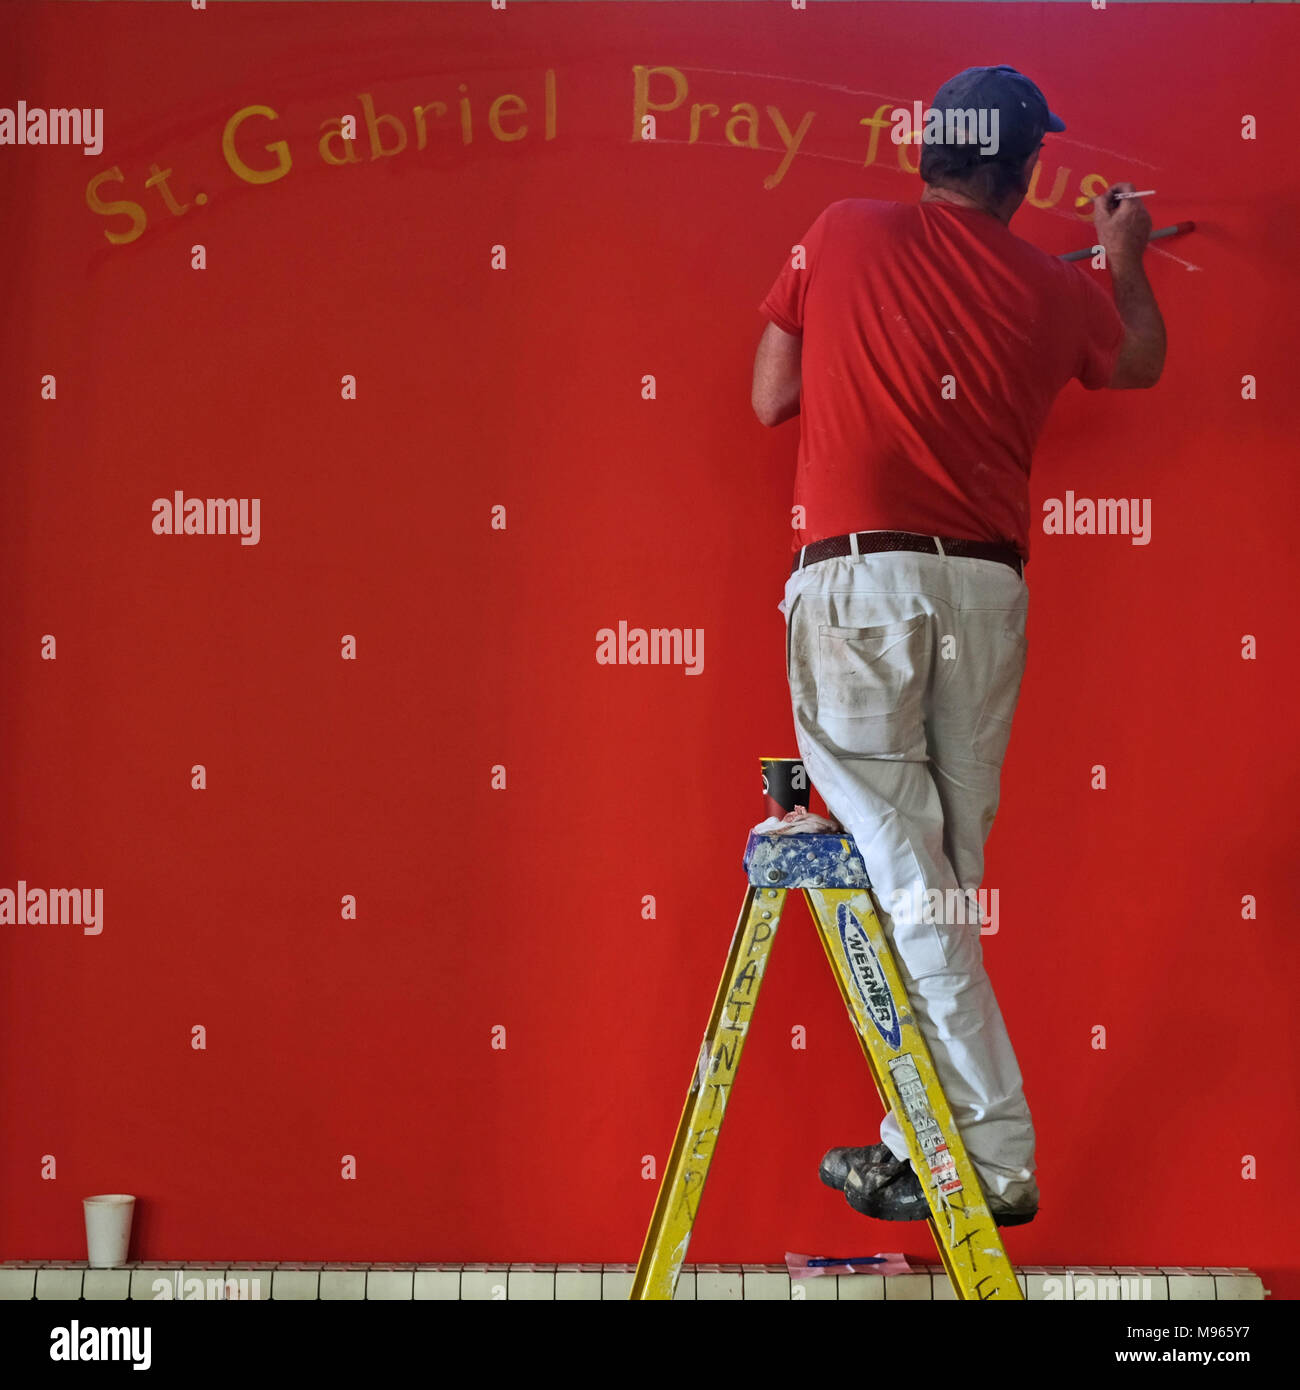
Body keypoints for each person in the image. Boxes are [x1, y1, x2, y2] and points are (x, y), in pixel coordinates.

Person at [750, 65, 1165, 1224]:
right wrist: (1117, 254)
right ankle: (916, 1139)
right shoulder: (1050, 284)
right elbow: (1138, 360)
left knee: (906, 871)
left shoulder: (841, 229)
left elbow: (768, 398)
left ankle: (992, 1149)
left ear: (927, 153)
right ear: (1024, 172)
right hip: (984, 590)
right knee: (943, 871)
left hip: (861, 579)